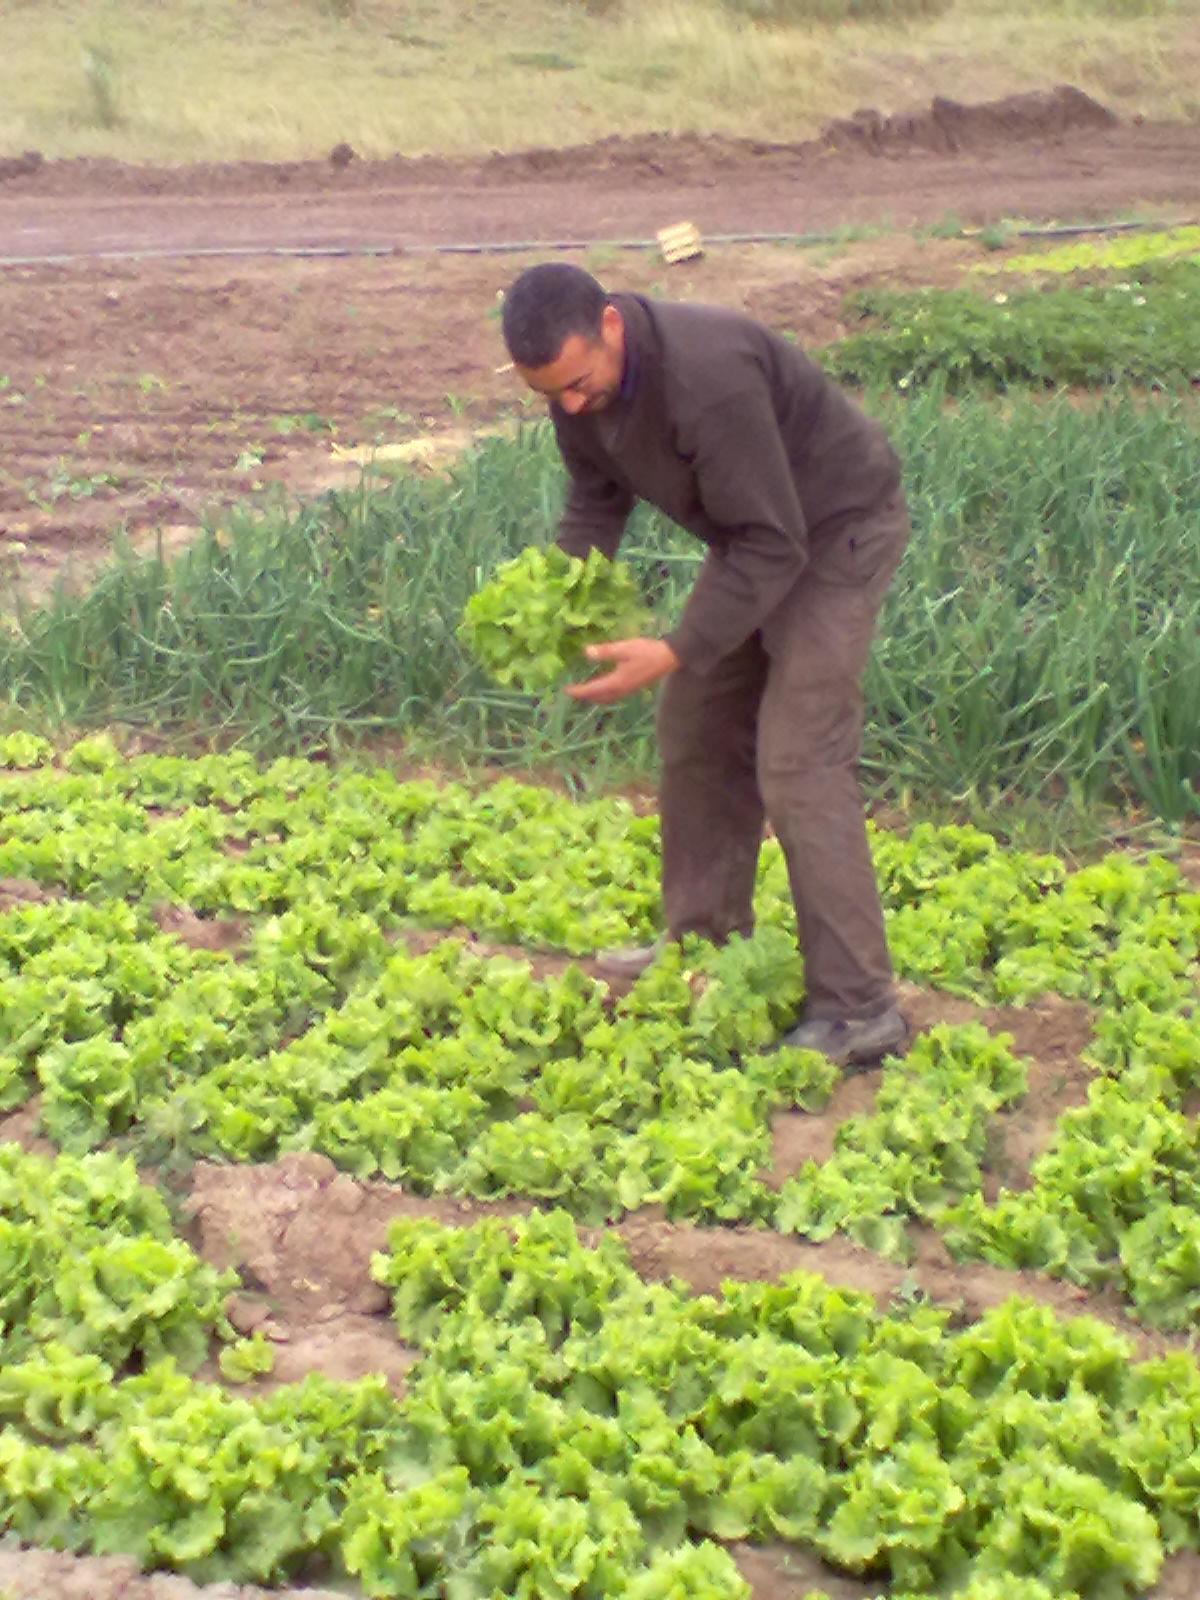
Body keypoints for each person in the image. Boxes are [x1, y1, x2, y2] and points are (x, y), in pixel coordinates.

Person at [499, 262, 909, 1069]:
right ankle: (703, 942)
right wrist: (562, 601)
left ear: (610, 324)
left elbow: (776, 540)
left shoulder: (707, 379)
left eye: (579, 383)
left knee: (798, 761)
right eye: (551, 396)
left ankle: (861, 1008)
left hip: (835, 531)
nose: (572, 406)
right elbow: (596, 497)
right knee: (694, 721)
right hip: (754, 539)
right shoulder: (578, 390)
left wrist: (676, 646)